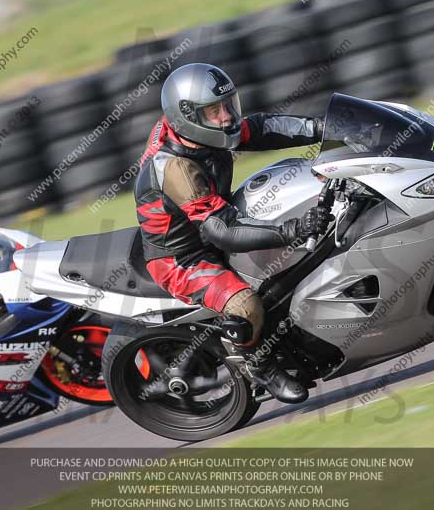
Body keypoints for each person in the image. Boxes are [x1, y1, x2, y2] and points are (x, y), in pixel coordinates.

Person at [134, 63, 332, 404]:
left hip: (210, 217)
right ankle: (262, 365)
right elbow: (223, 232)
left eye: (228, 105)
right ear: (189, 116)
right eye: (215, 111)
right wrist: (293, 231)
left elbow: (261, 128)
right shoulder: (177, 168)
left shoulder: (194, 128)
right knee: (246, 304)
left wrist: (322, 128)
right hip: (182, 257)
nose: (227, 117)